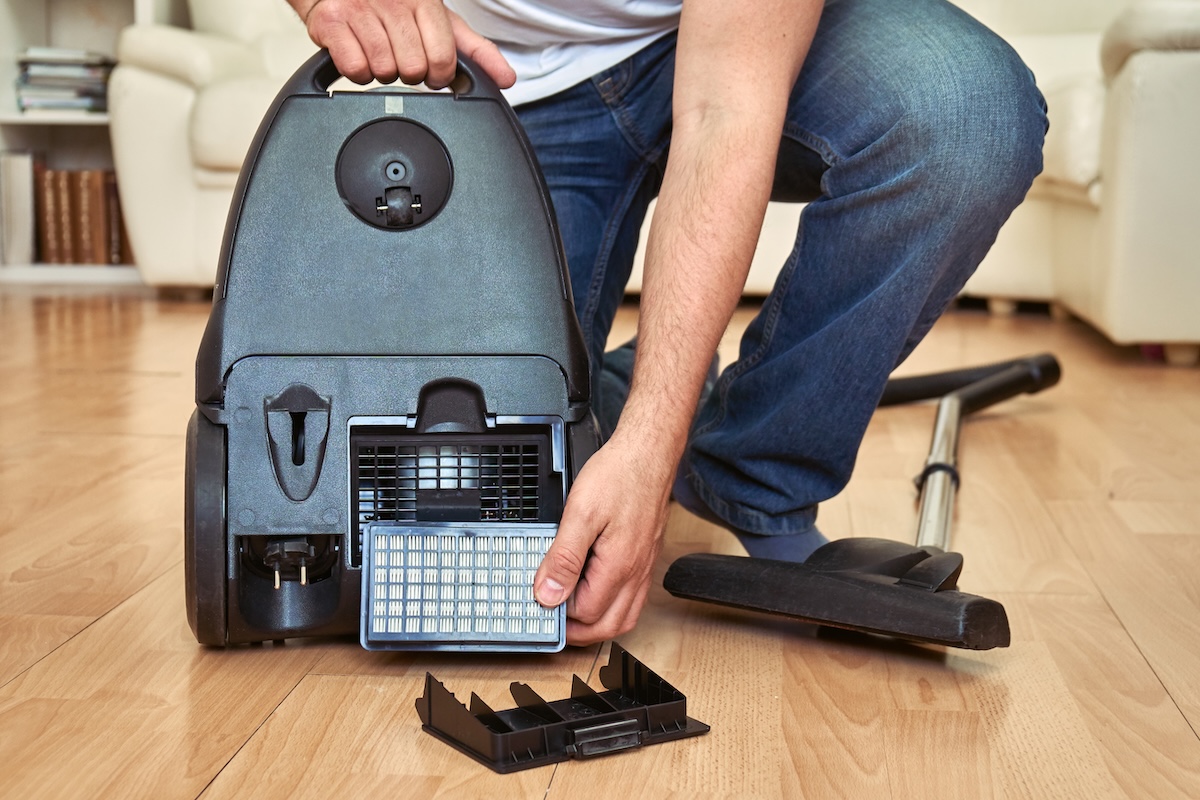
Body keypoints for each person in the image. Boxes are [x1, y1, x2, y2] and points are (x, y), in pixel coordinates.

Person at [286, 0, 1047, 647]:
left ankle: (750, 473)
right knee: (467, 502)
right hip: (512, 75)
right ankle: (615, 394)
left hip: (748, 50)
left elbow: (727, 107)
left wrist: (653, 449)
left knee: (963, 114)